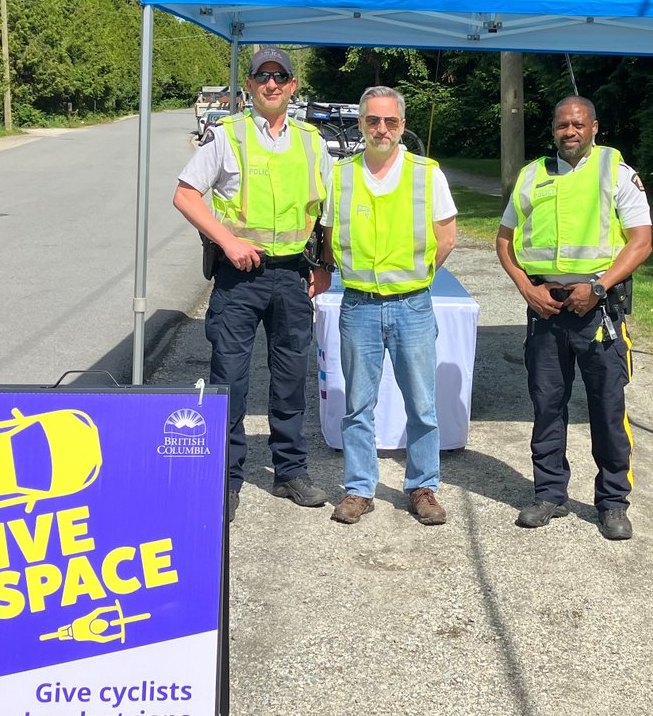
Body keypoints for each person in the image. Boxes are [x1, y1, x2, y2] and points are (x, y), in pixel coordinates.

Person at [173, 47, 331, 523]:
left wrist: (324, 265)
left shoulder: (312, 141)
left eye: (280, 76)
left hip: (292, 275)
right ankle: (228, 479)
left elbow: (326, 211)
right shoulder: (228, 136)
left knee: (289, 379)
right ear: (250, 85)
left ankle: (290, 471)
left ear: (292, 85)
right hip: (239, 276)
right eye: (263, 76)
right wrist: (227, 240)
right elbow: (184, 195)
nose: (271, 84)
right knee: (230, 379)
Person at [496, 96, 653, 541]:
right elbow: (504, 240)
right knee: (547, 405)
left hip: (598, 310)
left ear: (594, 128)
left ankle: (612, 502)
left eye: (578, 124)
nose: (570, 131)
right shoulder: (531, 176)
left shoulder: (617, 174)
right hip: (545, 308)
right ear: (553, 129)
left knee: (607, 408)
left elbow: (640, 242)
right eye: (563, 125)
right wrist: (527, 288)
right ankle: (549, 494)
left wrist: (599, 287)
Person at [320, 86, 457, 526]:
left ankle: (423, 487)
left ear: (402, 125)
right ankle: (359, 489)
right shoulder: (340, 175)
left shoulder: (427, 173)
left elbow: (446, 236)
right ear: (360, 123)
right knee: (358, 405)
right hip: (358, 305)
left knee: (422, 405)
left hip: (412, 306)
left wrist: (412, 278)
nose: (382, 129)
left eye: (391, 121)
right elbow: (327, 236)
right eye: (373, 121)